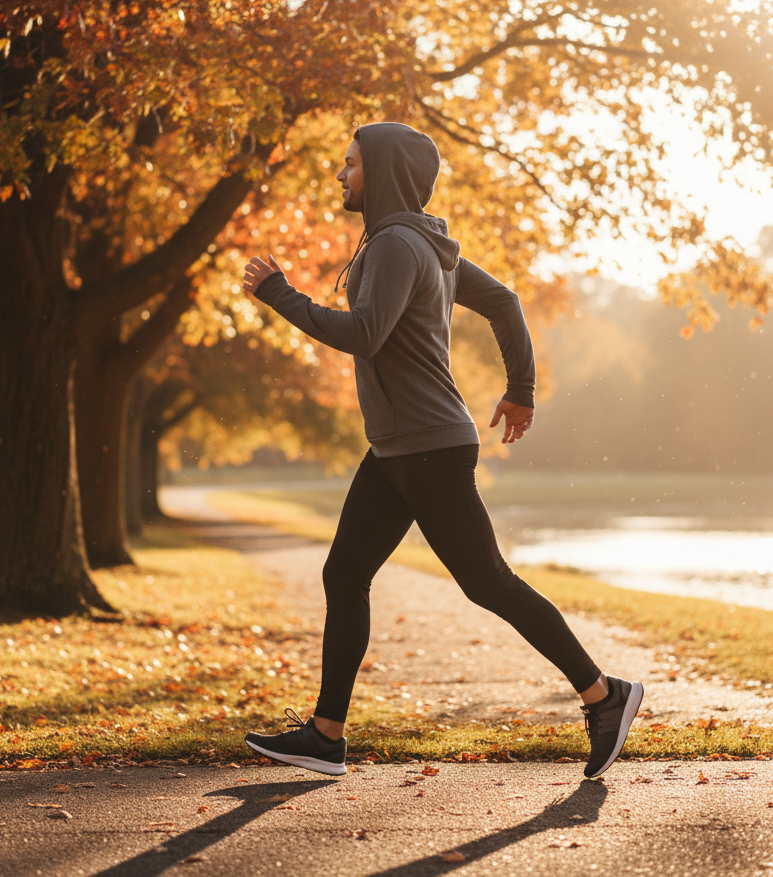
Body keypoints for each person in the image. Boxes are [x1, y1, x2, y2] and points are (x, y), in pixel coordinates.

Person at [241, 122, 643, 780]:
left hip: (426, 448)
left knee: (487, 581)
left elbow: (366, 334)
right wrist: (519, 388)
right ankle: (325, 735)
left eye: (350, 164)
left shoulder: (399, 244)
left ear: (384, 171)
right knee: (344, 575)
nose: (340, 176)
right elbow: (506, 302)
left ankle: (605, 696)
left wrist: (279, 293)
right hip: (400, 448)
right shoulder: (416, 243)